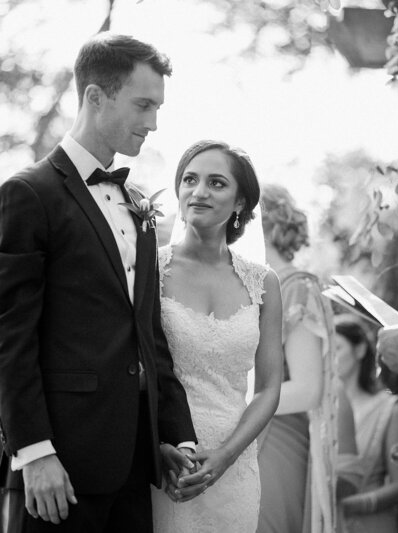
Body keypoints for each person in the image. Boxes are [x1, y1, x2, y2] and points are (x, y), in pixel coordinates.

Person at [0, 32, 197, 533]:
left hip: (136, 462)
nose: (153, 123)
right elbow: (10, 338)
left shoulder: (135, 201)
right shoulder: (28, 194)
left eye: (157, 107)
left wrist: (174, 434)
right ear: (95, 96)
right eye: (143, 104)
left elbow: (147, 329)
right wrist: (34, 452)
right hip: (60, 469)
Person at [151, 140, 283, 533]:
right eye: (190, 179)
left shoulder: (263, 283)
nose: (199, 191)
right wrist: (159, 445)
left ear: (241, 202)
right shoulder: (149, 269)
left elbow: (269, 387)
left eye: (217, 183)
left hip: (235, 463)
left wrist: (226, 456)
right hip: (166, 460)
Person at [257, 184, 337, 533]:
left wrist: (235, 404)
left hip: (277, 440)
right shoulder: (250, 283)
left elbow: (307, 389)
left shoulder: (297, 286)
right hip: (248, 435)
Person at [335, 315, 398, 533]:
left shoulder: (389, 408)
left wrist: (355, 505)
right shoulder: (318, 411)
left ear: (360, 349)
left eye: (336, 348)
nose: (329, 358)